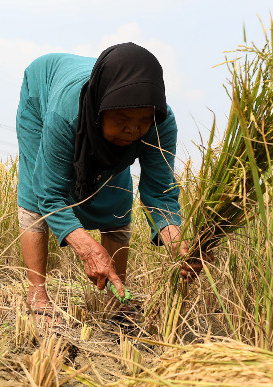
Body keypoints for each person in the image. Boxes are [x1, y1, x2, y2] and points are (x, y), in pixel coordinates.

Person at [15, 42, 203, 315]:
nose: (132, 129)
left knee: (116, 195)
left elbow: (160, 193)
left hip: (106, 94)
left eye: (142, 121)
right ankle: (37, 294)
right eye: (122, 118)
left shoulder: (159, 120)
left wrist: (178, 243)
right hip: (43, 91)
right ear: (100, 108)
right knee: (35, 189)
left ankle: (116, 299)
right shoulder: (64, 115)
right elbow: (49, 193)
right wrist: (88, 250)